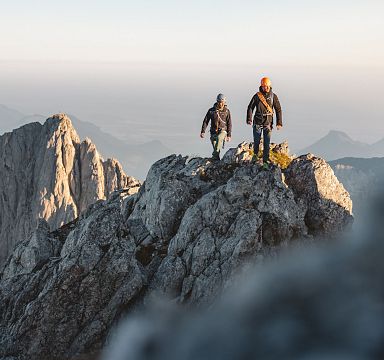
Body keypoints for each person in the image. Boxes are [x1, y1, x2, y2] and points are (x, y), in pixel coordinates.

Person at [247, 77, 282, 169]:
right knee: (257, 141)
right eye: (263, 86)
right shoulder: (257, 96)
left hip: (268, 123)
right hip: (257, 122)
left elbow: (278, 109)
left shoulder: (273, 96)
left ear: (269, 86)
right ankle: (255, 155)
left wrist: (279, 123)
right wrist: (249, 119)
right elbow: (250, 107)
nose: (265, 88)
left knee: (267, 143)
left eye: (266, 86)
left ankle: (265, 161)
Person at [200, 93, 232, 160]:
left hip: (223, 131)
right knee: (216, 148)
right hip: (213, 132)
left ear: (224, 102)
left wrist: (229, 135)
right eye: (219, 102)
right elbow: (206, 121)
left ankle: (213, 157)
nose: (221, 104)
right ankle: (216, 160)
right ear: (217, 102)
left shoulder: (227, 111)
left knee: (219, 138)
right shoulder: (211, 111)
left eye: (222, 102)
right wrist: (203, 131)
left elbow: (229, 123)